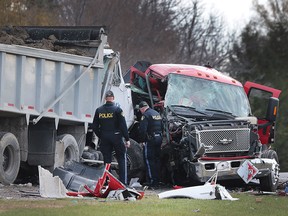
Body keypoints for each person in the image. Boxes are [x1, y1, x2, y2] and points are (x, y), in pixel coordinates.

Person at [92, 90, 130, 185]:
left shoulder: (99, 110)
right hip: (116, 137)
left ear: (105, 99)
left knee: (107, 160)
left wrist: (101, 135)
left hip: (104, 137)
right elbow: (123, 126)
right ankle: (123, 182)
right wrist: (127, 138)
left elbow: (94, 126)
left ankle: (107, 181)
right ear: (113, 98)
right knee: (121, 158)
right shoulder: (118, 110)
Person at [138, 101, 163, 188]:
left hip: (150, 140)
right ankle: (158, 180)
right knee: (157, 160)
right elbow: (162, 127)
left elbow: (142, 130)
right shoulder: (156, 113)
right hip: (159, 138)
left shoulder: (145, 115)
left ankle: (152, 182)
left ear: (142, 108)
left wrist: (142, 140)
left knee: (149, 160)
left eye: (140, 110)